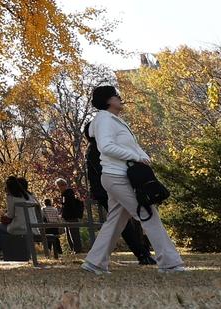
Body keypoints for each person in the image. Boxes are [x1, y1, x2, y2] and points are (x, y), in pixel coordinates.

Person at [82, 85, 186, 274]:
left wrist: (143, 156)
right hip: (117, 176)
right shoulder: (105, 120)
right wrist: (136, 157)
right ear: (108, 100)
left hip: (120, 176)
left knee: (115, 220)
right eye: (116, 95)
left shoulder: (113, 120)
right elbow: (106, 147)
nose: (120, 98)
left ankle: (94, 263)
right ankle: (170, 263)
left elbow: (131, 146)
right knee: (148, 213)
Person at [84, 109, 159, 265]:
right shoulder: (97, 149)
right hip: (109, 188)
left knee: (118, 222)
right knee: (140, 215)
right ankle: (145, 254)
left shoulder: (98, 148)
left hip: (109, 188)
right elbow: (106, 169)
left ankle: (95, 260)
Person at [0, 176, 39, 261]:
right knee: (3, 232)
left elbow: (10, 215)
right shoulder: (31, 196)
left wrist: (4, 215)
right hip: (34, 229)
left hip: (21, 228)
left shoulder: (11, 197)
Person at [55, 179, 85, 253]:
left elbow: (69, 206)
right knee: (69, 234)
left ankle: (77, 250)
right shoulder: (65, 194)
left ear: (63, 185)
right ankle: (73, 250)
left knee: (74, 234)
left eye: (59, 186)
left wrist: (63, 208)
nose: (59, 188)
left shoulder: (68, 193)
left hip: (71, 217)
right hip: (67, 217)